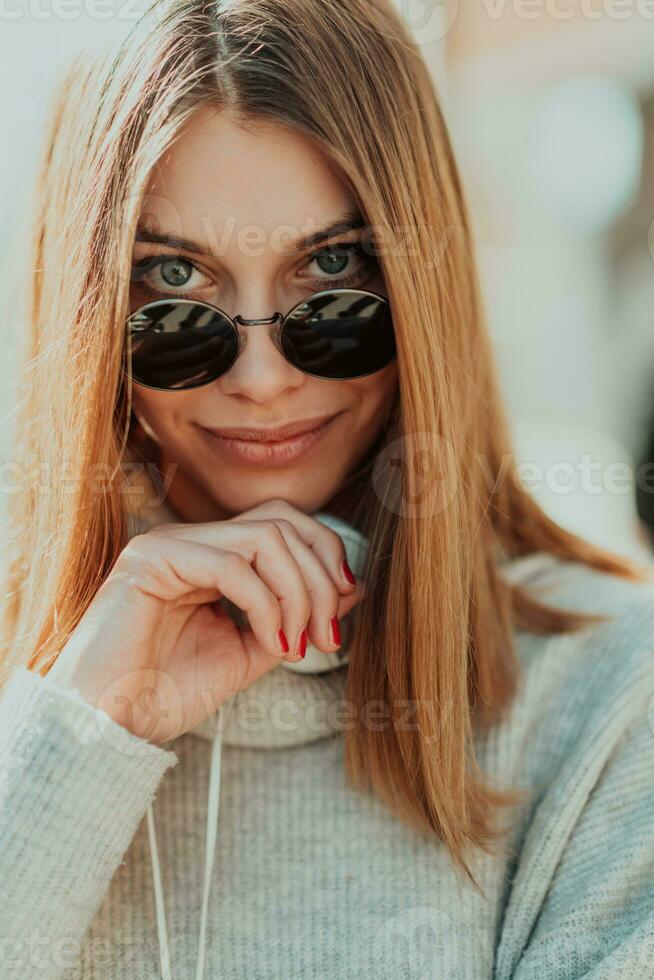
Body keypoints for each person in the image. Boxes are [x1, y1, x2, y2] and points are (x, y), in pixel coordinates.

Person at [1, 2, 653, 978]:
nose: (262, 377)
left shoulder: (608, 699)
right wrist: (82, 731)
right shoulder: (36, 696)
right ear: (91, 307)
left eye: (334, 270)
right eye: (175, 279)